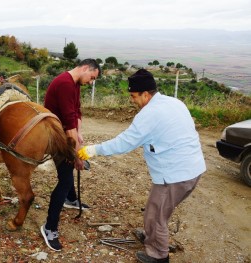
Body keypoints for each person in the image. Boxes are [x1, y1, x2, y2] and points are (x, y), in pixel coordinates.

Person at [78, 69, 206, 262]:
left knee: (156, 216)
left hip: (175, 175)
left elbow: (125, 142)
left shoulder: (149, 114)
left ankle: (158, 255)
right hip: (192, 169)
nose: (132, 100)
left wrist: (93, 150)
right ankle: (151, 237)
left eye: (133, 96)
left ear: (146, 94)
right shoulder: (174, 102)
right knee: (155, 209)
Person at [40, 59, 101, 251]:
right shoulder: (65, 84)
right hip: (55, 136)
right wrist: (76, 156)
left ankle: (70, 199)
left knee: (67, 171)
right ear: (85, 68)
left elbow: (76, 113)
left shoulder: (74, 83)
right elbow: (68, 124)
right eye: (92, 77)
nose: (91, 82)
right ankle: (49, 228)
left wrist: (79, 135)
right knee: (65, 179)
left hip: (65, 133)